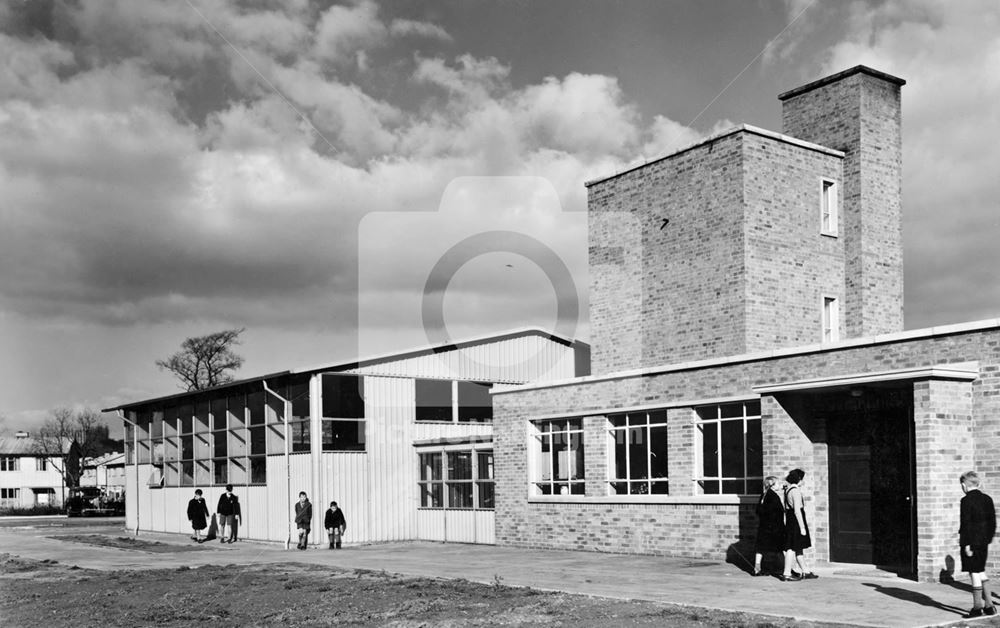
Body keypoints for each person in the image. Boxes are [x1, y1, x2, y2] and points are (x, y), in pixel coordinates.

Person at [959, 471, 997, 618]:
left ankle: (977, 607)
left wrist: (966, 543)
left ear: (964, 485)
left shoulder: (966, 501)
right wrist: (987, 539)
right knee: (981, 570)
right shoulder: (987, 499)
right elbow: (992, 522)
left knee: (974, 572)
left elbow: (966, 523)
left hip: (971, 541)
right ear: (978, 484)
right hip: (984, 542)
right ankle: (989, 605)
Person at [780, 468, 818, 581]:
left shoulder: (787, 490)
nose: (802, 481)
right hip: (796, 521)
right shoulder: (795, 491)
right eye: (802, 479)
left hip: (791, 520)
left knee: (798, 547)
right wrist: (802, 527)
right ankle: (786, 573)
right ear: (799, 479)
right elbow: (797, 510)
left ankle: (805, 571)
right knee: (791, 547)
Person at [753, 476, 785, 576]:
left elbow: (758, 511)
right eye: (778, 483)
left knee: (761, 548)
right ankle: (783, 569)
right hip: (773, 527)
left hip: (763, 526)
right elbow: (776, 513)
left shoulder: (764, 495)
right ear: (772, 485)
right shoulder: (774, 497)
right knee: (779, 548)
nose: (780, 485)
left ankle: (757, 567)